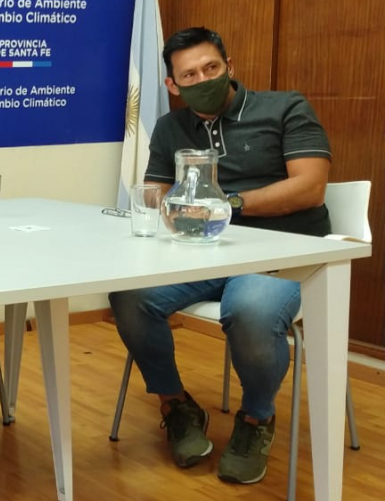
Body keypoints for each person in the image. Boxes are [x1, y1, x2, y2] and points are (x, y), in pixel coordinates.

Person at [109, 27, 331, 485]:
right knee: (128, 294)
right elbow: (155, 192)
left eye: (211, 68)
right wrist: (163, 204)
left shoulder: (285, 108)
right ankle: (176, 405)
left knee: (249, 308)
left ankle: (256, 418)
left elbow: (310, 187)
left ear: (230, 66)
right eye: (189, 75)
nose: (202, 79)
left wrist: (227, 204)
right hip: (201, 253)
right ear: (172, 85)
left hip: (283, 252)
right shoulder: (171, 127)